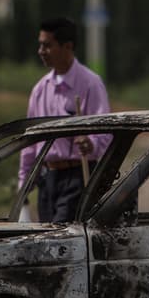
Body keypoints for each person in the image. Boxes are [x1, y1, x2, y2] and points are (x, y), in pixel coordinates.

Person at [17, 18, 111, 222]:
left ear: (67, 46)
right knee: (46, 237)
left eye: (47, 45)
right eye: (40, 45)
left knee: (62, 235)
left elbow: (105, 134)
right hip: (47, 180)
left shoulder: (90, 84)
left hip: (78, 177)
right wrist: (23, 185)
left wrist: (90, 144)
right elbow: (30, 144)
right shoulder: (40, 90)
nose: (41, 51)